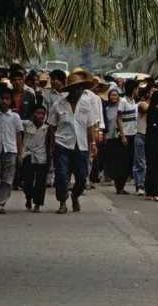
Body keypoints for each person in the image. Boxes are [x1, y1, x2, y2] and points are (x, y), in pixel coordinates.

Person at [47, 73, 98, 214]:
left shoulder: (87, 104)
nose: (78, 91)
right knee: (62, 175)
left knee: (82, 176)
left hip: (81, 145)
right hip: (62, 144)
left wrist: (93, 144)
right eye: (75, 88)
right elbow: (52, 127)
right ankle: (62, 202)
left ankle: (75, 196)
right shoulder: (59, 104)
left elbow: (90, 126)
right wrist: (52, 147)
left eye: (80, 88)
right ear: (70, 89)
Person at [0, 86, 24, 213]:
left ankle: (0, 203)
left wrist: (20, 153)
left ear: (10, 100)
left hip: (11, 150)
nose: (4, 101)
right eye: (2, 99)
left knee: (8, 179)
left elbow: (19, 135)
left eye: (7, 99)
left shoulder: (15, 117)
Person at [21, 105, 49, 212]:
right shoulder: (26, 124)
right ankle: (28, 197)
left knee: (40, 182)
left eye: (43, 114)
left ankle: (37, 204)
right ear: (33, 114)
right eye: (38, 113)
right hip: (27, 155)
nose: (40, 116)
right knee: (26, 181)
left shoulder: (46, 128)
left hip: (42, 156)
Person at [103, 88, 129, 194]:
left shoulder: (122, 107)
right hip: (110, 138)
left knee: (122, 162)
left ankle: (120, 186)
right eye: (112, 95)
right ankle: (115, 182)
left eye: (115, 95)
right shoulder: (106, 108)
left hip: (120, 138)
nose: (113, 97)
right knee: (112, 162)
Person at [120, 80, 139, 193]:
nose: (138, 91)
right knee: (124, 161)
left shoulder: (133, 102)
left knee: (130, 160)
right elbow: (119, 118)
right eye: (136, 88)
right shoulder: (123, 101)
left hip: (133, 133)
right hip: (126, 134)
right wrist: (122, 135)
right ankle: (120, 186)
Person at [133, 86, 150, 196]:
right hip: (140, 134)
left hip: (149, 136)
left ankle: (144, 183)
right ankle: (140, 184)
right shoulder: (141, 104)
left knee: (145, 162)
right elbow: (145, 108)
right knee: (141, 162)